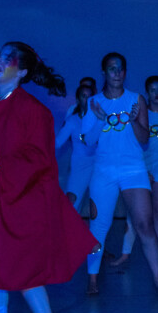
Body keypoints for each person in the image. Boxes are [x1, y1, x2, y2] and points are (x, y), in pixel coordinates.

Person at [0, 42, 97, 313]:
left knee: (20, 264)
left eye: (8, 58)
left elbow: (41, 159)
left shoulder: (33, 110)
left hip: (15, 195)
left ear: (22, 71)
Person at [80, 53, 158, 295]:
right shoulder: (95, 102)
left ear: (125, 72)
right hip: (104, 171)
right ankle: (92, 278)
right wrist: (100, 120)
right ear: (104, 72)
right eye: (112, 68)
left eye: (120, 68)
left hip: (133, 170)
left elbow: (145, 139)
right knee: (99, 226)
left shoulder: (136, 100)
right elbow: (88, 141)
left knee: (145, 224)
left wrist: (133, 121)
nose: (117, 73)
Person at [110, 75, 158, 266]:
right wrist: (141, 169)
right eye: (152, 90)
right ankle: (125, 254)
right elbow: (133, 142)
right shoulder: (142, 113)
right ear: (147, 93)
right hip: (142, 167)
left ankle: (156, 256)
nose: (157, 93)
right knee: (135, 213)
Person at [55, 83, 96, 215]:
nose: (87, 99)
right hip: (79, 165)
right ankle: (67, 228)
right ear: (78, 100)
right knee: (71, 203)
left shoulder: (100, 119)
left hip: (98, 164)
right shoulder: (72, 121)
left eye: (90, 96)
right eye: (84, 96)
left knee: (98, 205)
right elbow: (57, 143)